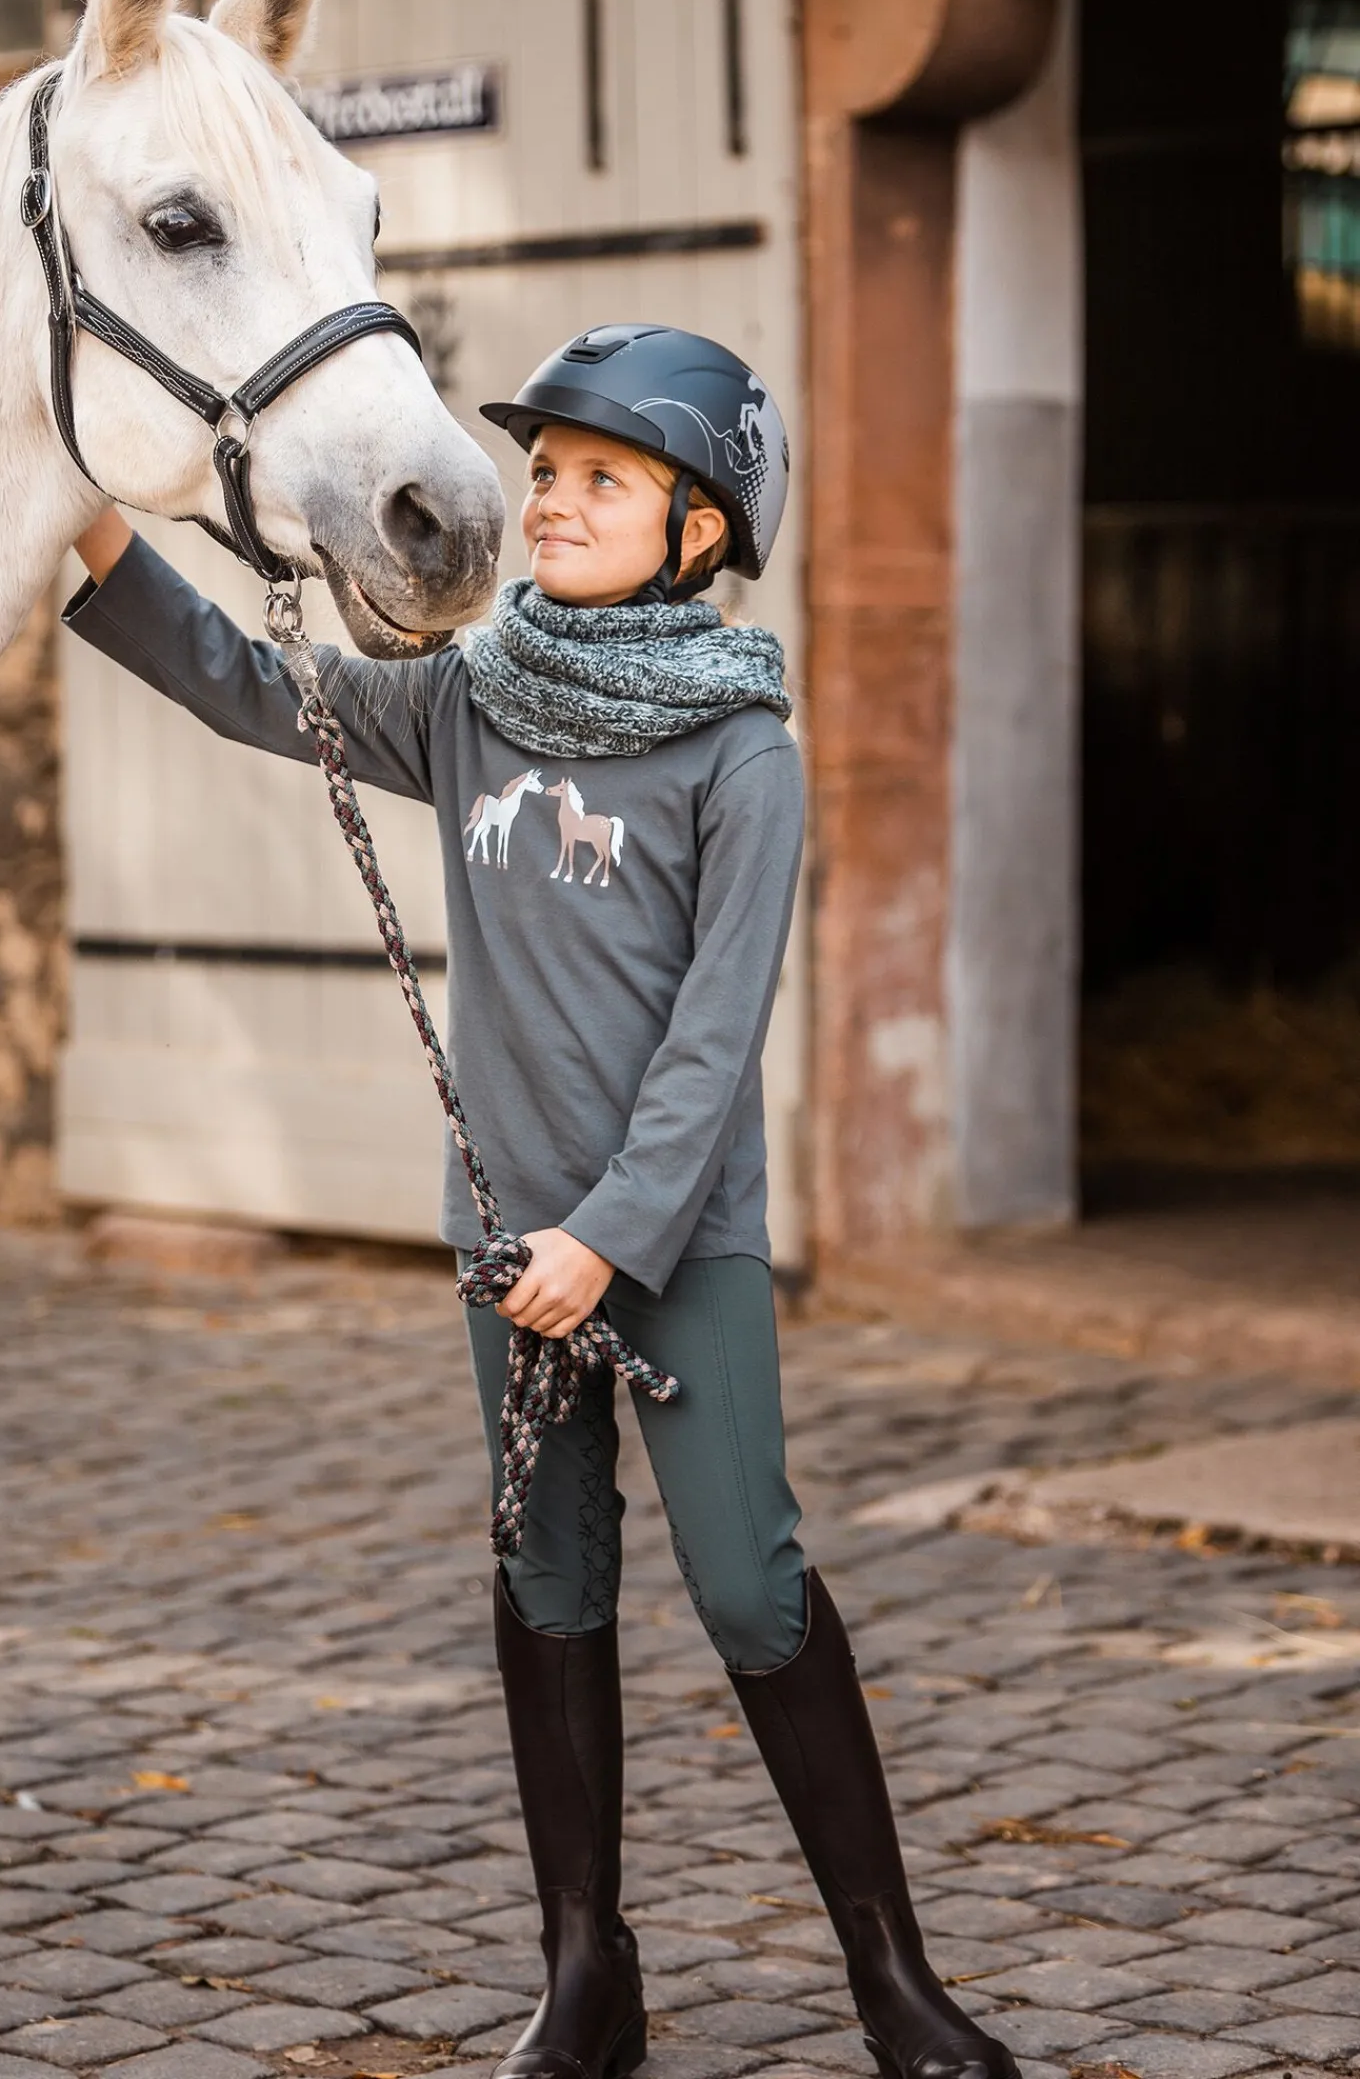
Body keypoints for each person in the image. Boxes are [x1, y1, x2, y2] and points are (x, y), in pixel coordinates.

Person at [64, 324, 1017, 2079]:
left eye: (602, 479)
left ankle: (897, 1979)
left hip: (668, 1244)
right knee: (549, 1569)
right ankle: (588, 1973)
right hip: (509, 1248)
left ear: (704, 529)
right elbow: (247, 685)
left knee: (750, 1585)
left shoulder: (743, 756)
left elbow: (716, 1041)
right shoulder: (472, 697)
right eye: (549, 470)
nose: (552, 500)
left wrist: (612, 1239)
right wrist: (97, 535)